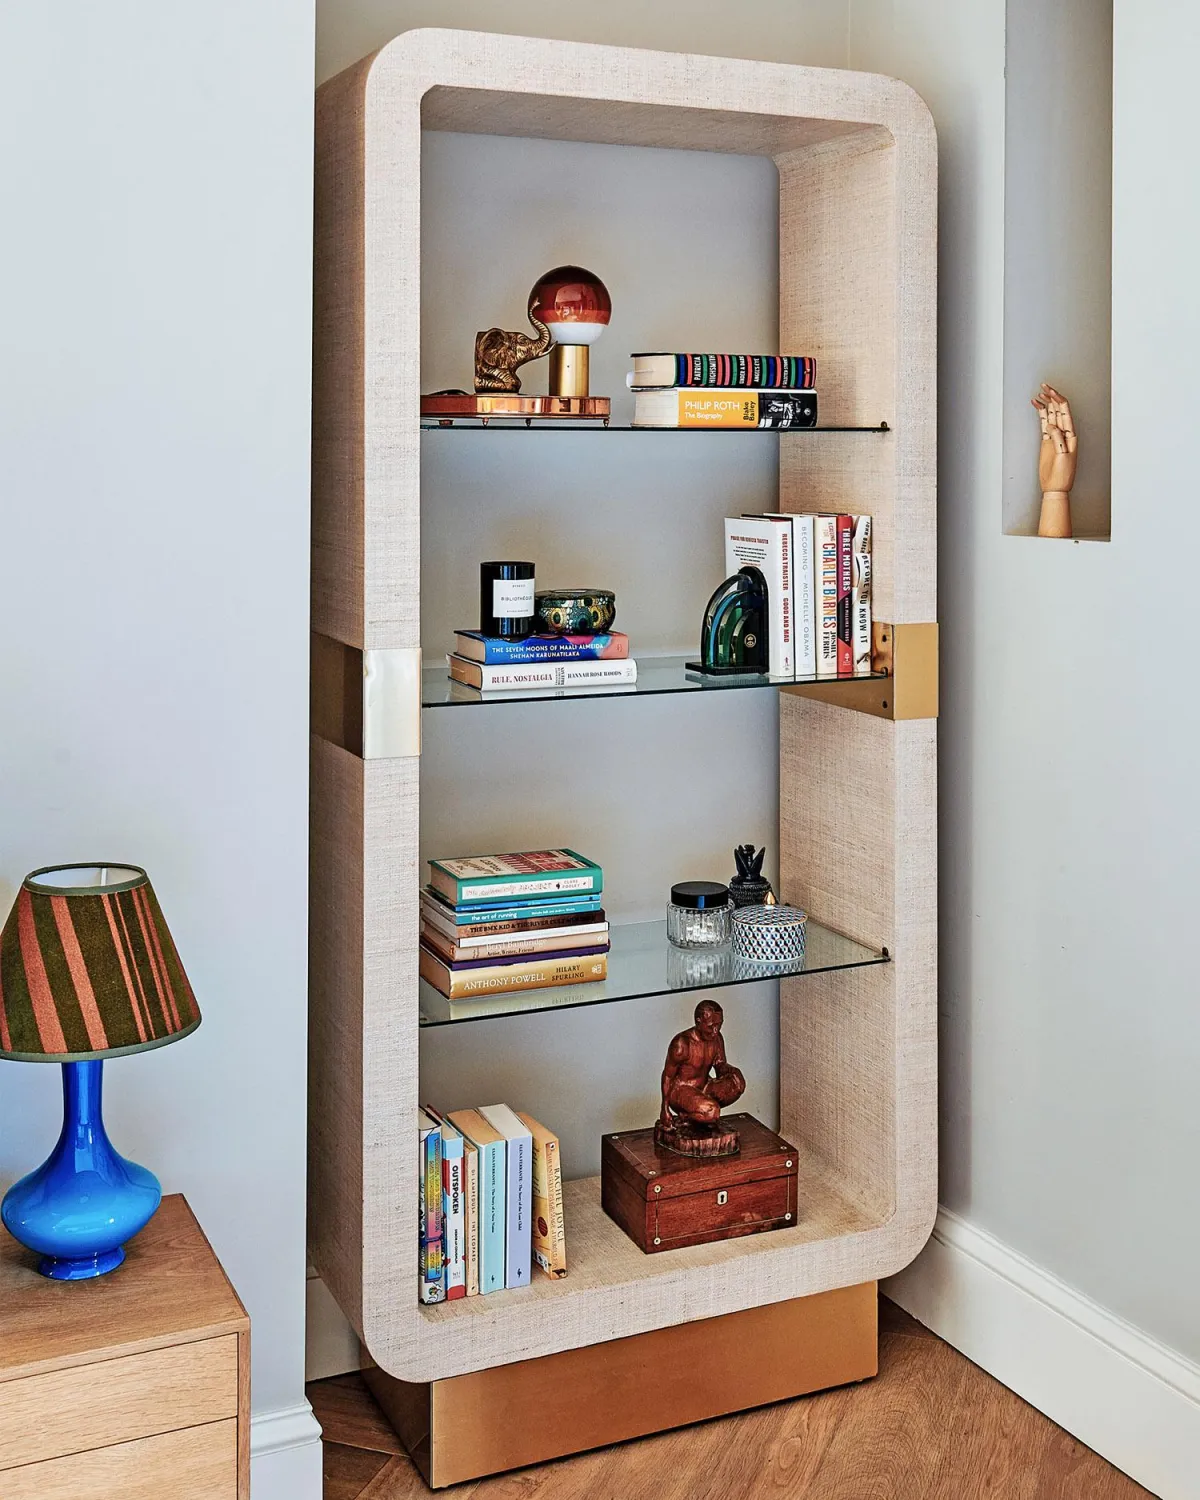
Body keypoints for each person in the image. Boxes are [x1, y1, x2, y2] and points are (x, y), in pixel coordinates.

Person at [658, 998, 745, 1133]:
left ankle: (699, 1112)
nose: (715, 1031)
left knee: (737, 1083)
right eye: (711, 1026)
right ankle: (691, 1114)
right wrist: (664, 1108)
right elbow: (668, 1076)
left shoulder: (716, 1038)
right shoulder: (682, 1044)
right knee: (712, 1112)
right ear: (698, 1021)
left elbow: (719, 1065)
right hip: (682, 1090)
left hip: (705, 1086)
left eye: (719, 1025)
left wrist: (732, 1072)